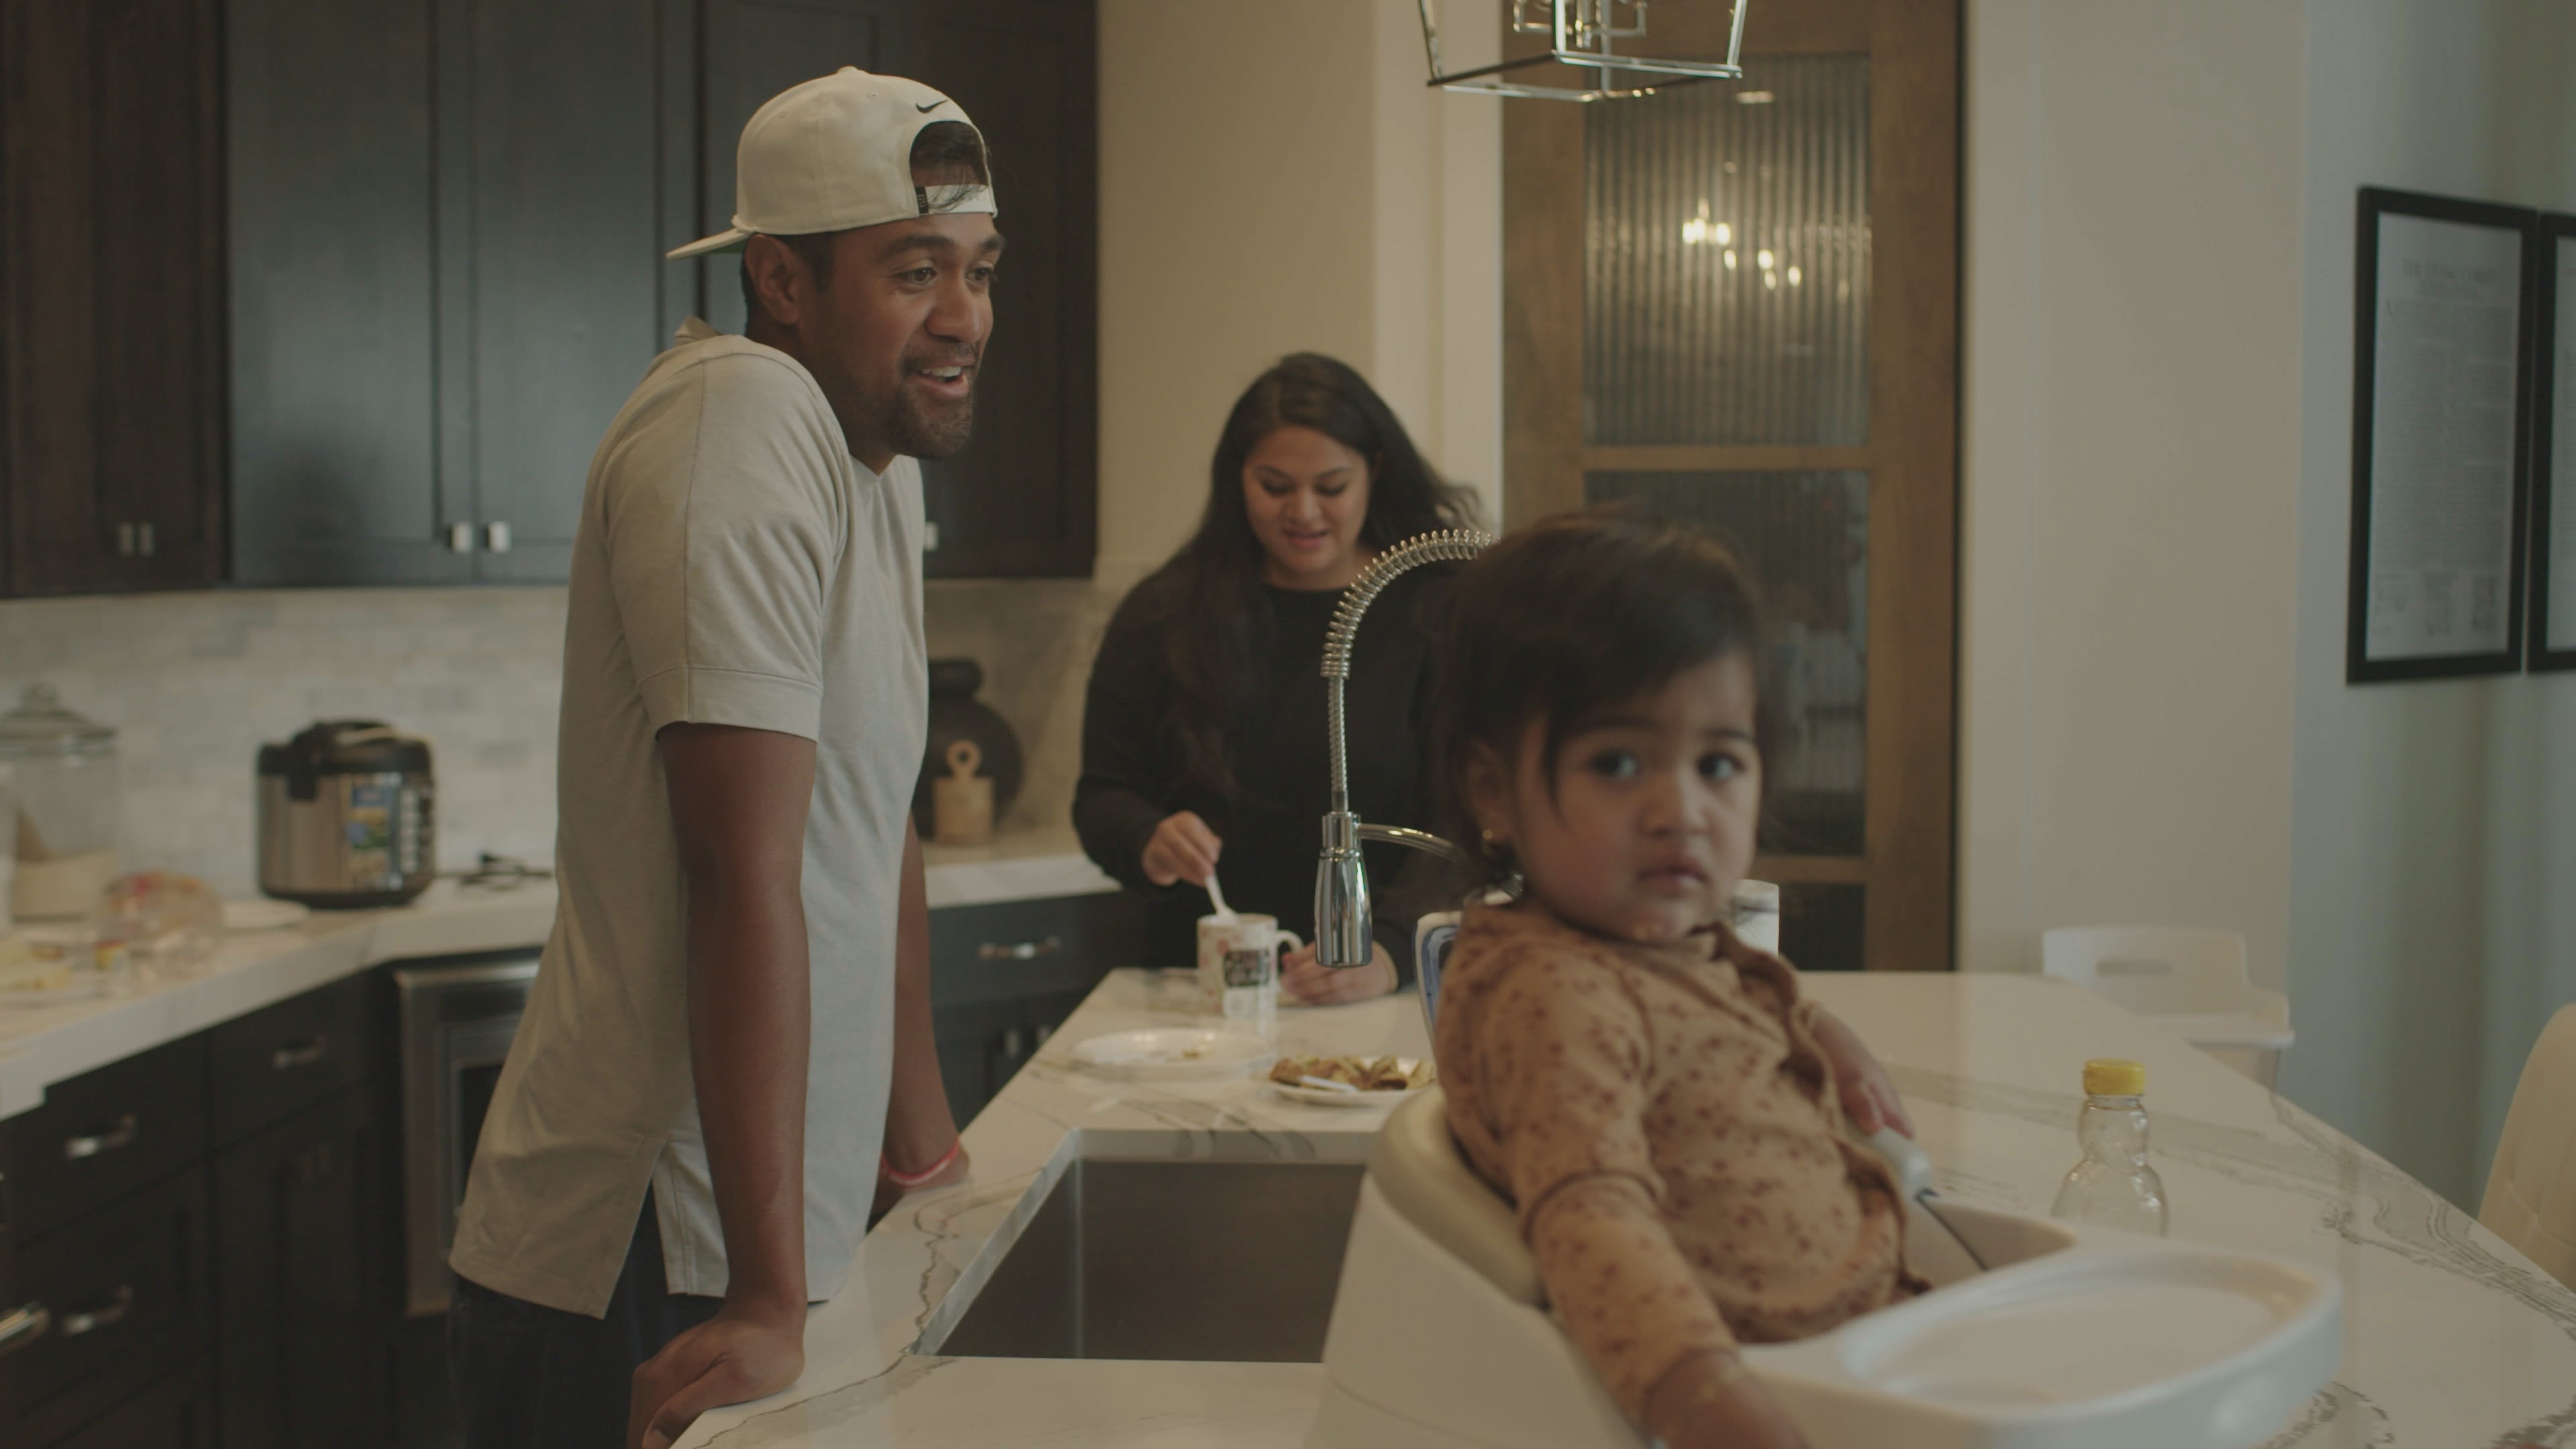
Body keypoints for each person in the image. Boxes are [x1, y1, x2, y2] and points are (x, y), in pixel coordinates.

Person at [444, 68, 998, 1449]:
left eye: (979, 269)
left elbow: (873, 822)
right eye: (915, 271)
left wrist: (921, 1153)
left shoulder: (874, 462)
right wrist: (760, 1288)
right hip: (653, 1239)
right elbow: (737, 870)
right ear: (781, 280)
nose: (964, 317)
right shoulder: (737, 420)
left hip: (763, 1231)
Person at [1428, 509, 1921, 1449]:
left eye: (1719, 762)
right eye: (1617, 763)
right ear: (1492, 790)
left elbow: (1710, 1005)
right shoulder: (1557, 992)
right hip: (1774, 1390)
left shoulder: (1651, 940)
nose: (1681, 811)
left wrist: (1817, 1030)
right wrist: (1706, 1405)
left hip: (1864, 1347)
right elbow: (1591, 1217)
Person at [1075, 355, 1474, 1004]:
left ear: (1375, 470)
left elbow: (1468, 815)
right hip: (1202, 994)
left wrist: (1390, 949)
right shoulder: (1167, 613)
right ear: (1237, 477)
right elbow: (1102, 796)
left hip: (1384, 990)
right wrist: (1147, 839)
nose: (1304, 512)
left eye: (1331, 487)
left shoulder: (1436, 608)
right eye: (1275, 486)